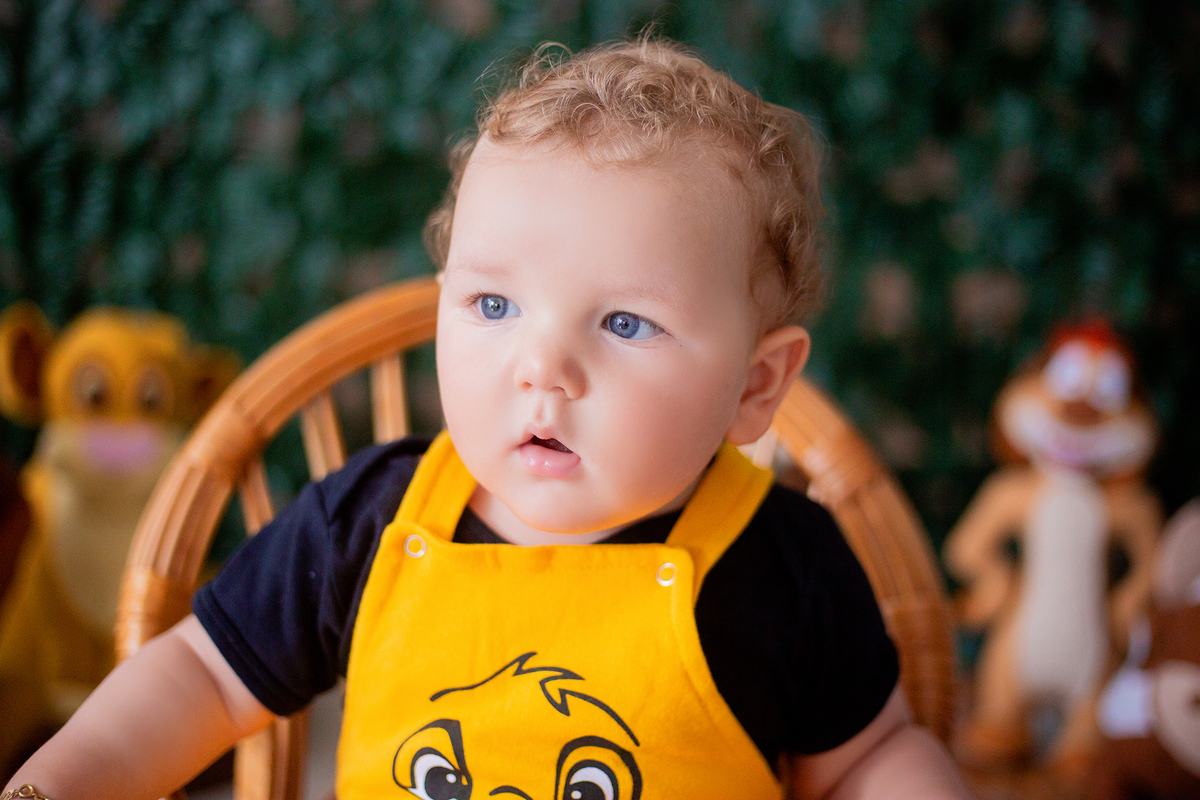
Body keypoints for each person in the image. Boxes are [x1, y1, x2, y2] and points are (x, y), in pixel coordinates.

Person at [5, 38, 970, 800]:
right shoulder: (366, 526)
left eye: (626, 322)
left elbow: (867, 758)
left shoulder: (783, 563)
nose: (540, 366)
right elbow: (204, 679)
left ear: (757, 386)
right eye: (494, 306)